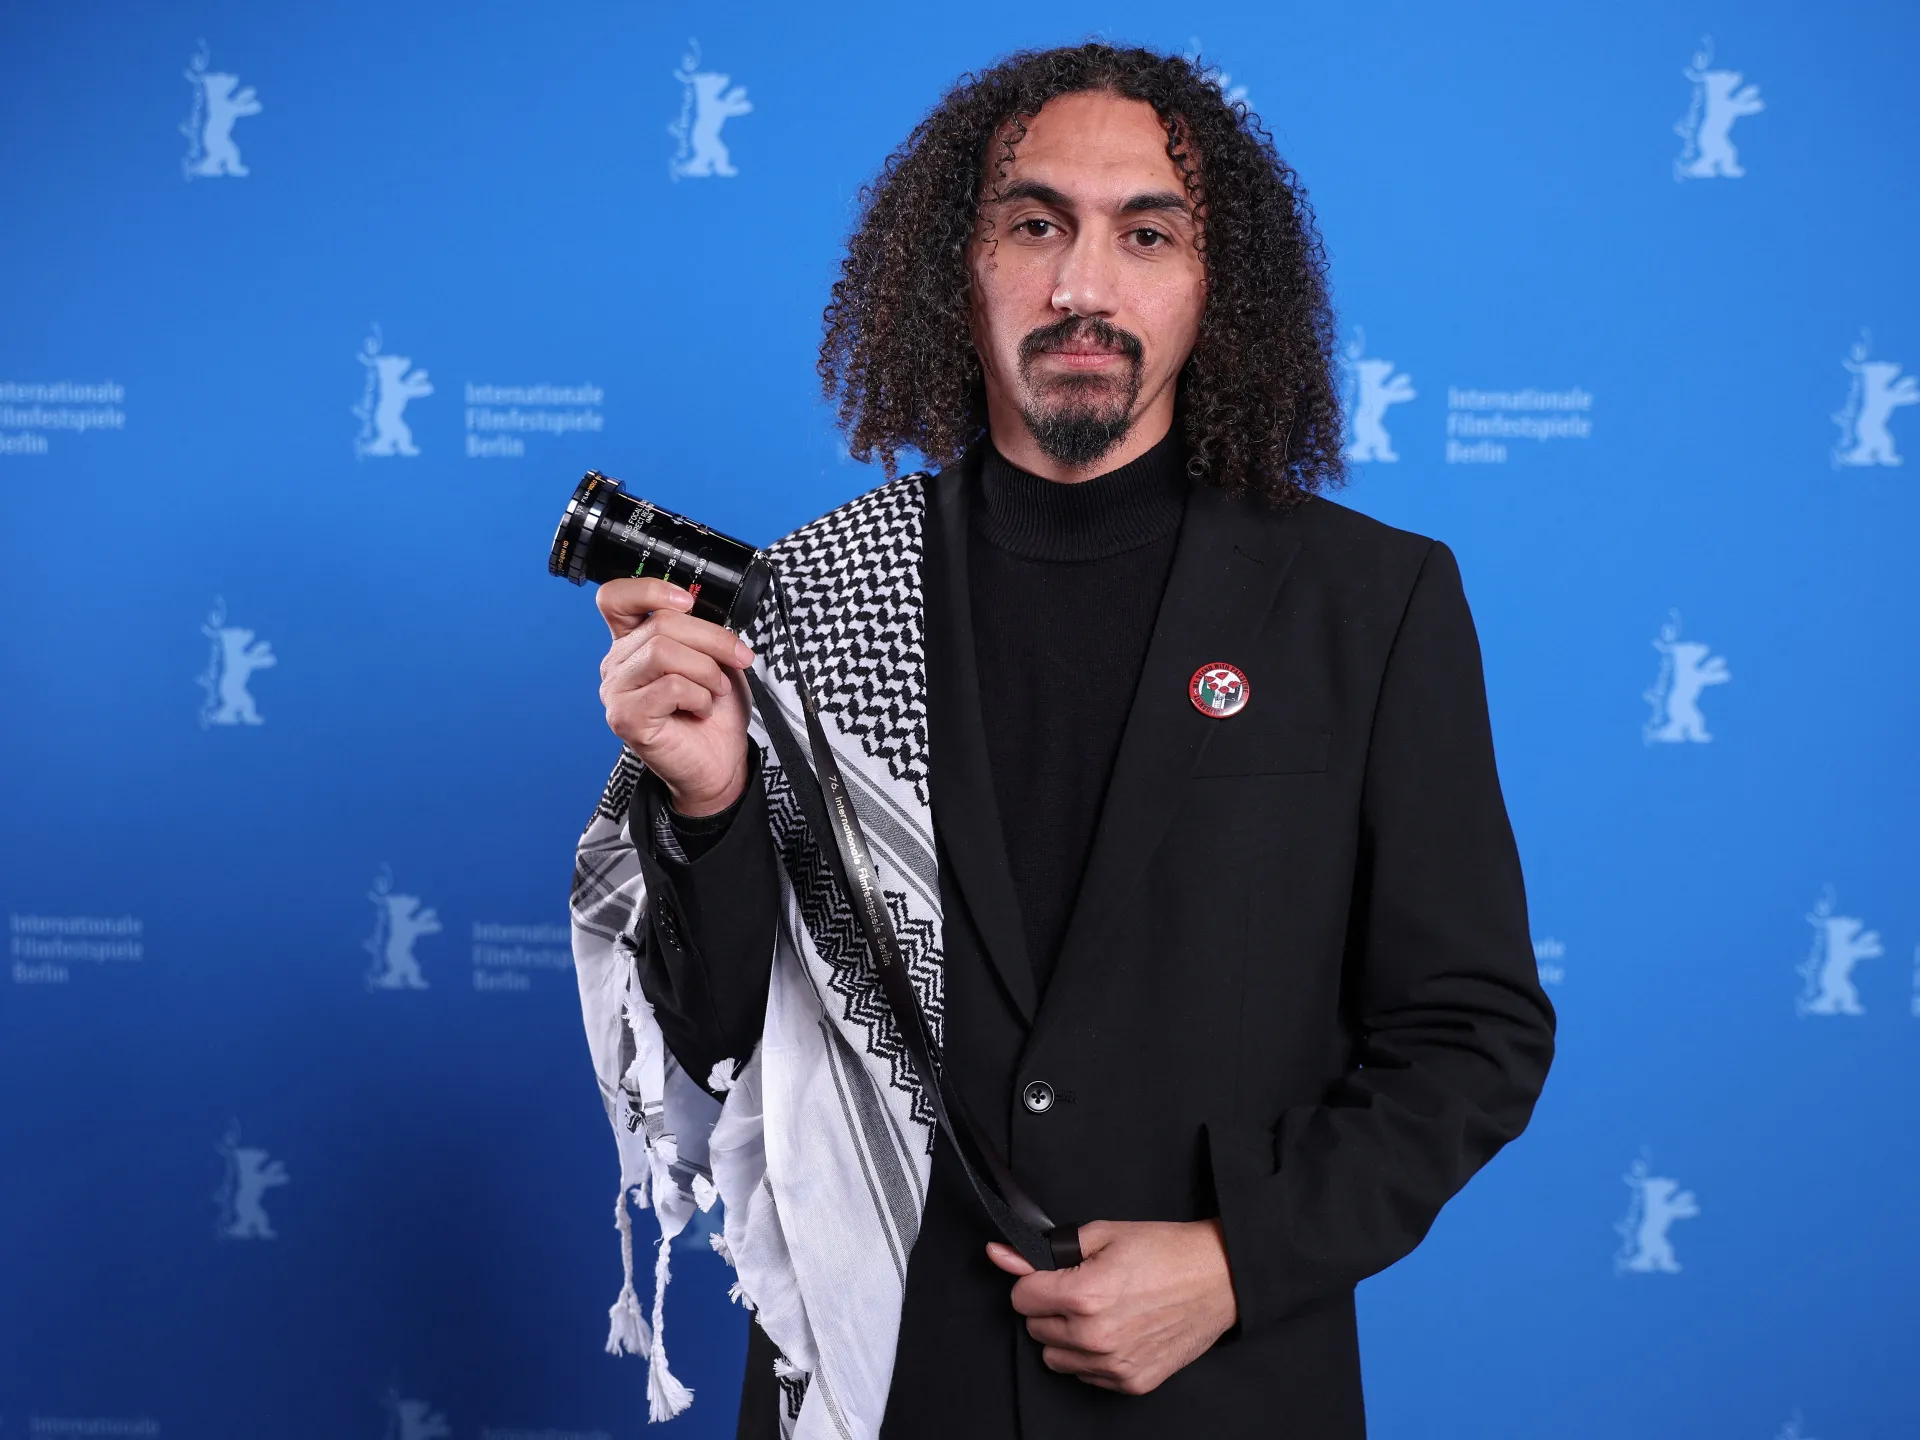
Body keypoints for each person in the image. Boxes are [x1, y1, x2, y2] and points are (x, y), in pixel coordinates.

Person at [570, 42, 1555, 1440]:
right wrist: (712, 805)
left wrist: (1237, 1262)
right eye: (1034, 226)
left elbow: (1470, 1031)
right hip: (882, 1387)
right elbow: (718, 1047)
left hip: (1219, 1395)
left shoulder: (1371, 602)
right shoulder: (817, 594)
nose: (1083, 286)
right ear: (954, 270)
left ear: (1217, 286)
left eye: (1147, 234)